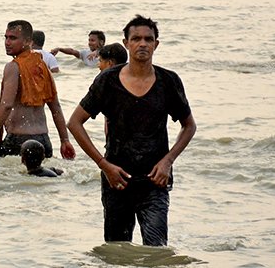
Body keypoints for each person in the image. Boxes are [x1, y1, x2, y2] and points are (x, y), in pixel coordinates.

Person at [67, 15, 197, 247]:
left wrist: (168, 161)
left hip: (154, 182)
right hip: (117, 180)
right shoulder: (107, 81)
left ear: (156, 44)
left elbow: (189, 126)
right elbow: (75, 123)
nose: (143, 44)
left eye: (149, 39)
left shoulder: (168, 81)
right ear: (126, 43)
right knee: (116, 251)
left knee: (157, 251)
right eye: (136, 38)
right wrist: (103, 164)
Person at [0, 20, 76, 160]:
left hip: (19, 140)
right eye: (6, 37)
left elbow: (6, 105)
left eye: (13, 38)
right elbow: (55, 106)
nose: (7, 42)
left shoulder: (13, 67)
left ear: (28, 41)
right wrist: (64, 140)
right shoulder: (43, 66)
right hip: (43, 140)